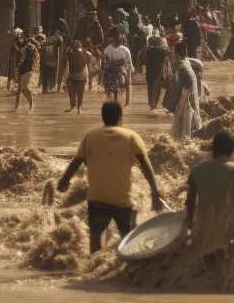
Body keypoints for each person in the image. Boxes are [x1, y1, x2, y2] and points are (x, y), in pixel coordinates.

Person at [56, 102, 167, 253]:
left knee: (95, 242)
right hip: (123, 201)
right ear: (120, 118)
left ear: (103, 117)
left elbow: (76, 161)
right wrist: (155, 191)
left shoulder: (90, 137)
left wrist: (64, 180)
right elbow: (145, 166)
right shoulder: (131, 137)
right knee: (130, 242)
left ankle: (93, 269)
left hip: (97, 199)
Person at [184, 130, 234, 261]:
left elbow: (190, 202)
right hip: (228, 236)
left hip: (201, 235)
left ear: (213, 147)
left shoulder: (197, 170)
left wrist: (189, 228)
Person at [169, 47, 203, 141]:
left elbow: (185, 94)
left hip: (188, 108)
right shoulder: (189, 69)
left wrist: (178, 108)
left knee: (186, 135)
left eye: (173, 54)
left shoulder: (183, 68)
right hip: (192, 107)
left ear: (177, 55)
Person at [101, 34, 133, 106]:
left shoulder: (125, 49)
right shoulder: (108, 48)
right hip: (111, 67)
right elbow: (105, 59)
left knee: (128, 84)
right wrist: (108, 65)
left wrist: (130, 68)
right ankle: (107, 95)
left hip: (122, 67)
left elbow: (128, 61)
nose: (115, 42)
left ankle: (127, 102)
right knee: (105, 80)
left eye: (117, 41)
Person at [64, 38, 94, 114]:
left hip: (78, 75)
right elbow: (90, 55)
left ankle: (77, 107)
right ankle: (76, 107)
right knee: (76, 93)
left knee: (76, 93)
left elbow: (66, 62)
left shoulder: (72, 52)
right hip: (77, 75)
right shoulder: (75, 52)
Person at [12, 33, 39, 113]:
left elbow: (24, 52)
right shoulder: (29, 48)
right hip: (23, 70)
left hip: (26, 71)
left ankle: (30, 105)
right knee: (20, 90)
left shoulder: (29, 48)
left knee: (23, 89)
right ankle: (17, 108)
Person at [143, 34, 169, 110]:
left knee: (150, 87)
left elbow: (145, 60)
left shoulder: (148, 50)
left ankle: (151, 103)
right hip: (159, 71)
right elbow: (166, 60)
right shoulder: (163, 50)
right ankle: (155, 104)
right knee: (157, 88)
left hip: (150, 71)